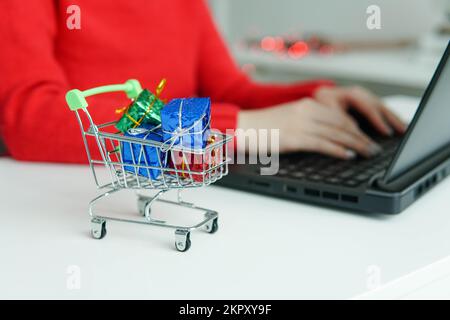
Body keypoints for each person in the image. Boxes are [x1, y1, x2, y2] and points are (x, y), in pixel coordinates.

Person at [0, 0, 405, 163]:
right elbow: (32, 119)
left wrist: (316, 96)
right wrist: (228, 130)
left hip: (183, 182)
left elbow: (228, 90)